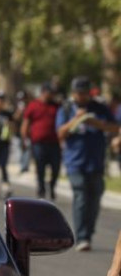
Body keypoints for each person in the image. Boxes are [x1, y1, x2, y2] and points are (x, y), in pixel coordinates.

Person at [56, 76, 119, 252]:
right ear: (73, 93)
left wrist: (95, 122)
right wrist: (75, 120)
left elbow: (115, 128)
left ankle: (88, 233)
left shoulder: (99, 108)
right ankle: (82, 236)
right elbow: (60, 133)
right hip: (75, 162)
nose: (82, 96)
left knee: (95, 198)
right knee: (81, 196)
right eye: (78, 93)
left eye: (84, 93)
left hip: (96, 162)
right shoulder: (67, 108)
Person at [21, 83, 61, 200]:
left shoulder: (56, 106)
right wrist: (24, 139)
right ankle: (41, 189)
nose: (52, 95)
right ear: (43, 92)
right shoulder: (33, 105)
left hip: (54, 143)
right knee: (40, 167)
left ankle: (52, 186)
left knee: (55, 167)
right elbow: (26, 123)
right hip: (38, 143)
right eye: (50, 93)